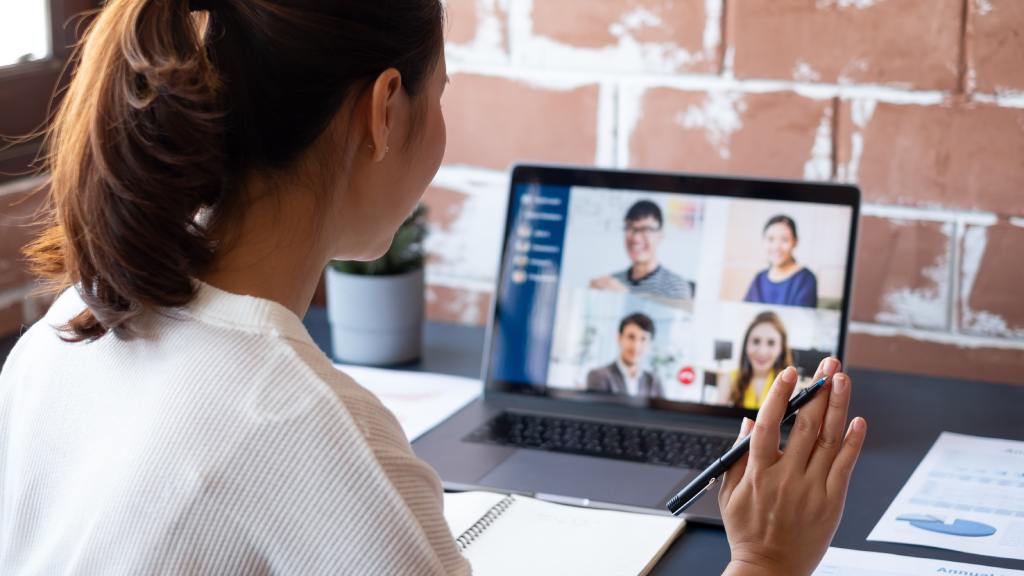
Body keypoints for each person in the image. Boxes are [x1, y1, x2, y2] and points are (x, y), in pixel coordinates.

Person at [0, 1, 866, 574]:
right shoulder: (299, 432)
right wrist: (766, 562)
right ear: (385, 109)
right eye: (440, 91)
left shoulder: (62, 334)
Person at [589, 200, 695, 300]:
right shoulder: (612, 282)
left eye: (646, 229)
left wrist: (625, 298)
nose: (636, 238)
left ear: (660, 235)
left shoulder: (676, 286)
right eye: (630, 228)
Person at [722, 311, 794, 410]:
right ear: (746, 344)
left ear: (781, 349)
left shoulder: (788, 383)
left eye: (771, 343)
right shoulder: (729, 379)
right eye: (756, 341)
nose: (762, 352)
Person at [743, 215, 818, 308]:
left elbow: (801, 320)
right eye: (770, 239)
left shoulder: (806, 279)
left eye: (784, 240)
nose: (776, 247)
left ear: (795, 242)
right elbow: (746, 313)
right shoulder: (759, 278)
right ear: (763, 241)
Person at [585, 313, 663, 398]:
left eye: (643, 339)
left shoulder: (654, 382)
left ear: (649, 344)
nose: (636, 346)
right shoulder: (599, 376)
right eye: (631, 337)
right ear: (619, 338)